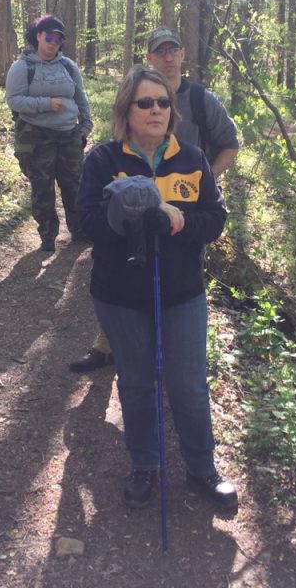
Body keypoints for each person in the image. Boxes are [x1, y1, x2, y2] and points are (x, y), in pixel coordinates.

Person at [77, 66, 238, 510]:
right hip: (120, 295)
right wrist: (128, 216)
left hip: (182, 292)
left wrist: (179, 222)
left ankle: (203, 469)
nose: (156, 110)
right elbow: (87, 222)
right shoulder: (103, 161)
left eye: (163, 102)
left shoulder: (191, 157)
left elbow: (216, 220)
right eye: (145, 103)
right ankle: (145, 464)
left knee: (187, 384)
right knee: (137, 382)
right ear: (126, 111)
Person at [69, 26, 239, 373]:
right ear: (148, 58)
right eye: (160, 51)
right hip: (126, 243)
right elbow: (95, 208)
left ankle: (165, 361)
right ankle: (111, 347)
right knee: (125, 273)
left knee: (177, 285)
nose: (168, 57)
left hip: (182, 213)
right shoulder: (111, 148)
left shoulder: (202, 100)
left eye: (173, 49)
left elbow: (230, 145)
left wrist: (203, 181)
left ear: (182, 54)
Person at [5, 14, 93, 252]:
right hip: (36, 134)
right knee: (42, 185)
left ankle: (79, 231)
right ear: (38, 37)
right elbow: (13, 100)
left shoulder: (68, 66)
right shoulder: (23, 67)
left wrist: (85, 126)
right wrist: (45, 104)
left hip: (68, 133)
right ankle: (47, 234)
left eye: (58, 39)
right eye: (49, 37)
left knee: (74, 183)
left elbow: (80, 97)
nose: (54, 42)